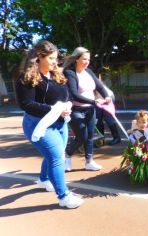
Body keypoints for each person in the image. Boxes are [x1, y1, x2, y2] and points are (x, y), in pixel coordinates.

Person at [15, 40, 83, 208]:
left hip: (59, 123)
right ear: (39, 57)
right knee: (57, 158)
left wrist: (67, 106)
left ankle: (44, 179)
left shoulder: (56, 74)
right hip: (38, 125)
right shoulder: (26, 77)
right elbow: (26, 104)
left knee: (55, 153)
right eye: (52, 58)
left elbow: (67, 96)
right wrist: (55, 109)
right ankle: (64, 197)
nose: (55, 61)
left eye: (56, 58)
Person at [63, 47, 111, 171]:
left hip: (90, 109)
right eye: (84, 59)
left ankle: (89, 161)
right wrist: (94, 101)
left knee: (90, 136)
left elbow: (100, 86)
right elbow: (74, 94)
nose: (87, 62)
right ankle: (67, 155)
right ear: (76, 59)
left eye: (88, 59)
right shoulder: (70, 73)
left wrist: (106, 96)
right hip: (76, 110)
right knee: (81, 137)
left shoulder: (88, 72)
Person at [95, 75, 121, 145]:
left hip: (108, 97)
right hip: (98, 99)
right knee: (98, 119)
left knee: (108, 118)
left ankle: (117, 138)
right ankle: (101, 139)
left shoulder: (92, 79)